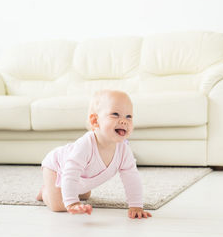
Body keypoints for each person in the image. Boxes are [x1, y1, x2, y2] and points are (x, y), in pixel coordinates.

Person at [36, 89, 152, 219]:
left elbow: (131, 177)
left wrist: (136, 205)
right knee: (59, 205)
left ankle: (75, 191)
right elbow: (70, 173)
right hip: (57, 167)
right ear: (95, 121)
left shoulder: (124, 150)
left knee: (85, 195)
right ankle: (46, 192)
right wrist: (72, 203)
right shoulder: (85, 145)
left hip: (81, 177)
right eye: (115, 114)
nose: (124, 121)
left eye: (128, 116)